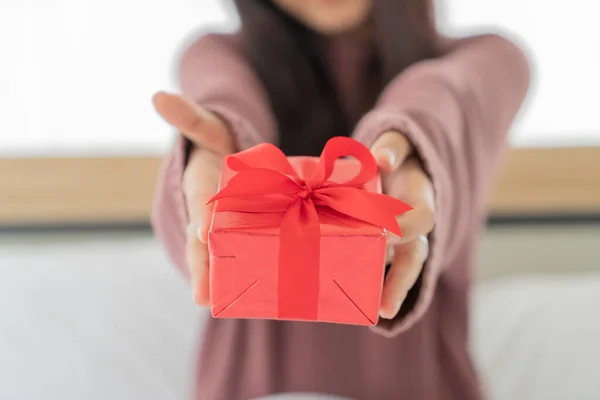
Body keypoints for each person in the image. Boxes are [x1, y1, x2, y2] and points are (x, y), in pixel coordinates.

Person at [152, 0, 531, 399]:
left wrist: (408, 144)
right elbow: (226, 97)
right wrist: (216, 158)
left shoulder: (492, 59)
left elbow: (444, 97)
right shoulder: (218, 56)